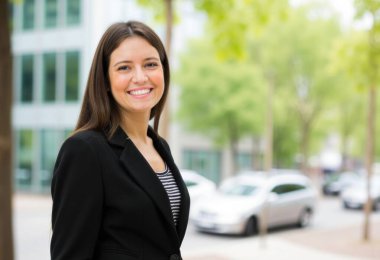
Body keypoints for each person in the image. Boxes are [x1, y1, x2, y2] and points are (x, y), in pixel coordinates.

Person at [50, 21, 190, 260]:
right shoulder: (85, 150)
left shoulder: (159, 146)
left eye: (150, 64)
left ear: (163, 72)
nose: (140, 77)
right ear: (105, 81)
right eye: (124, 68)